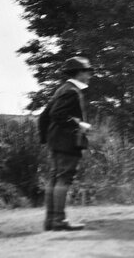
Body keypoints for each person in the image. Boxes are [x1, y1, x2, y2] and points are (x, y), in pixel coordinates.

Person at [41, 56, 94, 231]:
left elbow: (44, 116)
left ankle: (50, 221)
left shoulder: (62, 89)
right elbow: (57, 114)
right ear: (79, 73)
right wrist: (80, 124)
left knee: (55, 179)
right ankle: (58, 221)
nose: (89, 76)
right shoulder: (72, 91)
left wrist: (45, 139)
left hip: (56, 141)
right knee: (64, 179)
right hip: (67, 142)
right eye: (87, 72)